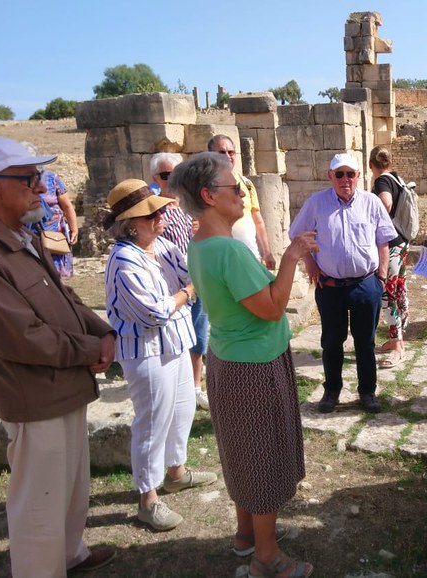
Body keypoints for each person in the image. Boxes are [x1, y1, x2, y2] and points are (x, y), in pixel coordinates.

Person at [0, 137, 117, 576]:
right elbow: (22, 337)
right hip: (34, 395)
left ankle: (70, 556)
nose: (41, 188)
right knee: (39, 504)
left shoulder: (20, 233)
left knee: (71, 489)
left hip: (64, 386)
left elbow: (64, 297)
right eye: (29, 179)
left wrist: (103, 332)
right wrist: (90, 349)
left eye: (39, 177)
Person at [169, 152, 318, 578]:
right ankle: (266, 559)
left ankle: (245, 535)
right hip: (254, 366)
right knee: (264, 457)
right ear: (208, 196)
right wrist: (290, 258)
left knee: (241, 452)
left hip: (228, 360)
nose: (242, 193)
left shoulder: (198, 244)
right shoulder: (229, 251)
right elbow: (271, 309)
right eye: (234, 187)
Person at [102, 178, 217, 532]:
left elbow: (189, 273)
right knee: (152, 422)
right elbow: (153, 311)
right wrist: (188, 291)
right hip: (147, 351)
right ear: (130, 225)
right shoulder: (124, 261)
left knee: (182, 409)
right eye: (149, 214)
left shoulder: (162, 245)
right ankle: (147, 499)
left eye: (157, 210)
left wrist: (189, 284)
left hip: (175, 342)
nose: (160, 216)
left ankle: (176, 472)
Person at [289, 153, 396, 414]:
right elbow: (298, 234)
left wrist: (382, 276)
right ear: (330, 176)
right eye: (339, 174)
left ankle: (367, 392)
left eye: (350, 174)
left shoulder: (371, 203)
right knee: (332, 341)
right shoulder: (317, 203)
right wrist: (310, 263)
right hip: (331, 287)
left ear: (359, 176)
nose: (345, 179)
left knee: (365, 342)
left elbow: (383, 239)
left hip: (365, 284)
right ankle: (332, 390)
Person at [151, 152, 210, 411]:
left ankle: (195, 385)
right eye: (166, 175)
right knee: (174, 333)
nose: (172, 179)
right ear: (156, 178)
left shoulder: (190, 204)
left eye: (176, 173)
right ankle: (177, 384)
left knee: (198, 332)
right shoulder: (153, 209)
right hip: (168, 281)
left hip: (194, 277)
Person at [207, 135, 277, 270]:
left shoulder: (247, 184)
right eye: (221, 152)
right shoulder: (205, 188)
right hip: (223, 260)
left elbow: (257, 220)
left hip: (251, 256)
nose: (227, 156)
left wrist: (267, 253)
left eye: (231, 152)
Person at [368, 145, 409, 369]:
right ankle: (397, 339)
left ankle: (397, 346)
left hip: (390, 246)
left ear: (370, 164)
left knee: (389, 296)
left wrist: (373, 224)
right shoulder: (396, 178)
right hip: (401, 242)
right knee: (399, 291)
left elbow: (385, 202)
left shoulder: (381, 182)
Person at [22, 143, 78, 277]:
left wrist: (74, 228)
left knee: (56, 276)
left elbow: (67, 206)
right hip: (29, 235)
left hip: (54, 236)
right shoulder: (17, 182)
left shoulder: (52, 178)